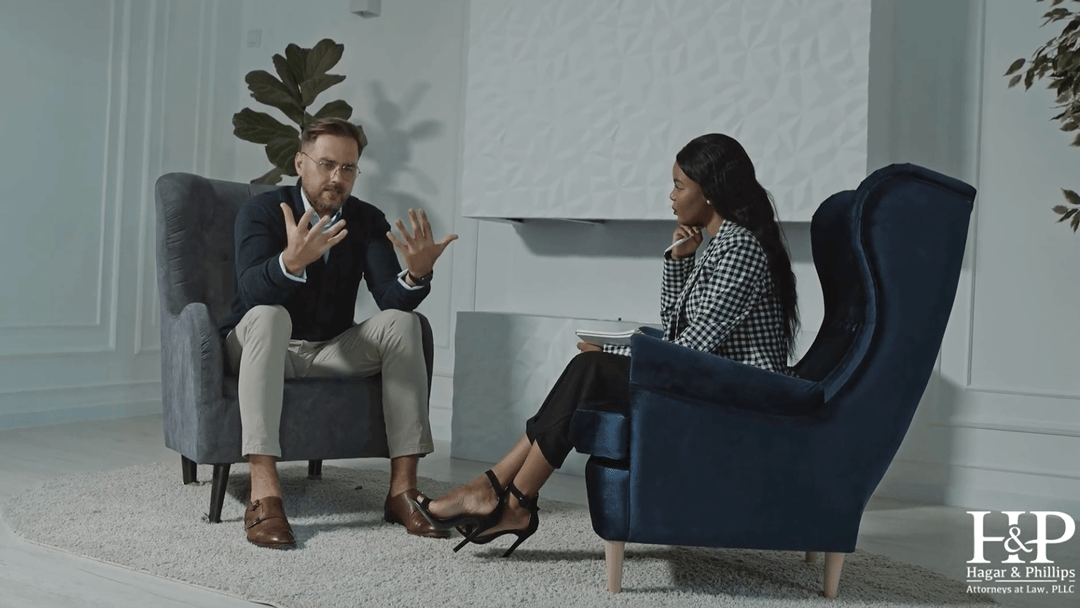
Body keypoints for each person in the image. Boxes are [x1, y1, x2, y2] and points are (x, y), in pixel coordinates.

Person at [412, 133, 799, 557]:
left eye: (678, 186)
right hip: (712, 381)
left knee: (591, 369)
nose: (671, 196)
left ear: (708, 192)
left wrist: (609, 355)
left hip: (739, 397)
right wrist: (678, 260)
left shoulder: (739, 246)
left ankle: (500, 493)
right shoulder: (719, 245)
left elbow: (690, 351)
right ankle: (508, 498)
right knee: (588, 374)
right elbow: (676, 331)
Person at [219, 117, 458, 548]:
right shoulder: (263, 211)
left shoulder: (365, 220)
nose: (337, 177)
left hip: (329, 348)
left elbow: (390, 299)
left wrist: (416, 275)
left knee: (404, 323)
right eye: (327, 164)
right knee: (271, 316)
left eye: (348, 168)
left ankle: (402, 492)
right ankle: (264, 495)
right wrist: (291, 262)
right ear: (300, 163)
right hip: (259, 344)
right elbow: (250, 290)